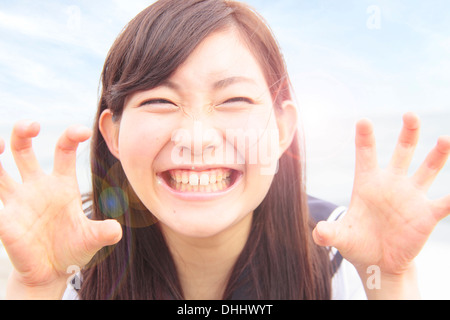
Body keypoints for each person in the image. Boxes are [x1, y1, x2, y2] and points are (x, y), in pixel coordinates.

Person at [0, 0, 449, 300]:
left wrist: (392, 280)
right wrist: (33, 286)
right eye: (159, 101)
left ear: (282, 128)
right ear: (113, 133)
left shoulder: (344, 258)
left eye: (234, 100)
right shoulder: (73, 262)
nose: (196, 138)